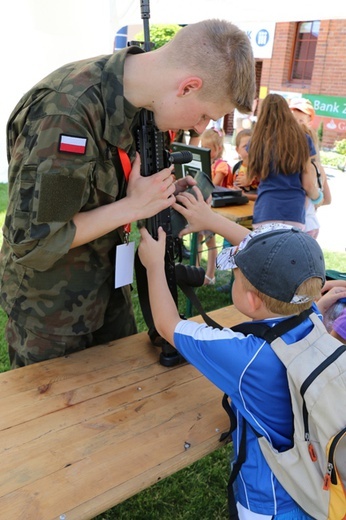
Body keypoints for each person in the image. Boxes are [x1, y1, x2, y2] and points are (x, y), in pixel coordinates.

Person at [0, 19, 256, 368]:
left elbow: (109, 185)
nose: (199, 128)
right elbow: (34, 239)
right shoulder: (66, 115)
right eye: (205, 116)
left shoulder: (142, 106)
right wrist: (134, 205)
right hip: (52, 314)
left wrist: (161, 197)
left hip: (111, 291)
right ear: (187, 87)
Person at [138, 184, 326, 519]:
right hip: (316, 491)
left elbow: (168, 325)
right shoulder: (314, 315)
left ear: (251, 300)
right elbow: (280, 257)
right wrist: (210, 219)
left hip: (266, 503)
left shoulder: (248, 358)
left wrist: (154, 265)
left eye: (236, 278)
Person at [247, 93, 321, 229]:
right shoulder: (303, 140)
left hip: (266, 208)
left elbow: (254, 176)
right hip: (294, 211)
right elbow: (307, 183)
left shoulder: (256, 142)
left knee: (264, 250)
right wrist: (318, 197)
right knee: (290, 250)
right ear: (287, 112)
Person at [289, 97, 332, 239]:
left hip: (300, 226)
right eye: (293, 120)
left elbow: (320, 195)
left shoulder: (306, 166)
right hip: (311, 225)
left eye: (300, 121)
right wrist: (315, 202)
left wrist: (315, 199)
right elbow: (327, 199)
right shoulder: (317, 166)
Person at [198, 127, 233, 284]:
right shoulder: (207, 163)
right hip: (205, 207)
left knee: (209, 242)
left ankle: (210, 274)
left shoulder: (221, 165)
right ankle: (196, 269)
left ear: (218, 149)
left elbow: (213, 184)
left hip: (215, 210)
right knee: (197, 238)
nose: (204, 151)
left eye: (208, 148)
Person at [232, 128, 259, 200]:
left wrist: (244, 195)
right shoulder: (237, 167)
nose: (250, 149)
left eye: (253, 145)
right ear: (237, 150)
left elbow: (265, 196)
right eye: (245, 146)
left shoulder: (260, 169)